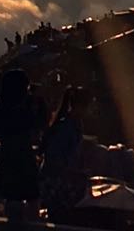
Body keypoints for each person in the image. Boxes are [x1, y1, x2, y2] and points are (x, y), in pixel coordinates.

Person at [0, 67, 46, 223]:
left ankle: (13, 224)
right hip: (24, 155)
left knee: (11, 197)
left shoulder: (0, 106)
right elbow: (38, 124)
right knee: (32, 196)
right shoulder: (25, 109)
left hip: (7, 155)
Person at [41, 87, 92, 223]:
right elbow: (55, 158)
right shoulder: (66, 127)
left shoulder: (74, 125)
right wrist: (72, 171)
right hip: (57, 184)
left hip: (63, 182)